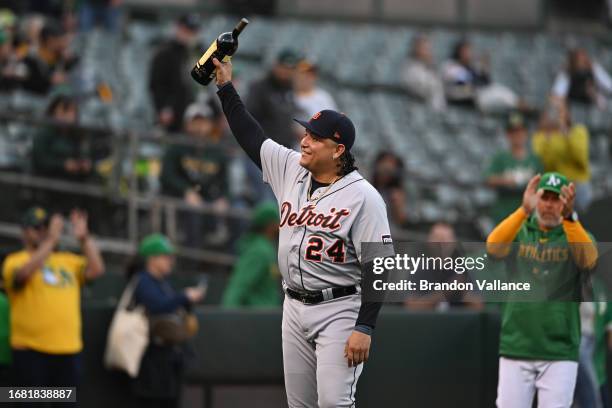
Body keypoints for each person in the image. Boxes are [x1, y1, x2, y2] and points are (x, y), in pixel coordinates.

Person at [211, 56, 395, 408]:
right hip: (293, 305)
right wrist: (225, 87)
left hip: (340, 307)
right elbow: (250, 134)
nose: (305, 141)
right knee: (300, 405)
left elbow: (380, 268)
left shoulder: (364, 197)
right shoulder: (291, 168)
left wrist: (365, 326)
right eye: (307, 133)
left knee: (333, 403)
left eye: (316, 138)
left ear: (339, 150)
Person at [486, 172, 598, 408]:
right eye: (544, 197)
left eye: (555, 199)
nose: (548, 204)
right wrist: (523, 211)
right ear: (536, 198)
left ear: (565, 202)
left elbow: (589, 261)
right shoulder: (520, 229)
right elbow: (493, 248)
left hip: (559, 349)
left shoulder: (577, 234)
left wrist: (569, 219)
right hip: (517, 343)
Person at [2, 206, 105, 395]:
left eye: (45, 228)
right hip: (30, 349)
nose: (42, 233)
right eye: (37, 228)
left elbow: (96, 269)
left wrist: (84, 238)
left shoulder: (67, 260)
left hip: (67, 349)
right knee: (29, 402)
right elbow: (23, 275)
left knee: (65, 402)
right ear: (25, 232)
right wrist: (50, 240)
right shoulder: (15, 260)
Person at [130, 233, 204, 408]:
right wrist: (184, 296)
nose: (170, 261)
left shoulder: (163, 282)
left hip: (169, 357)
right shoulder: (144, 280)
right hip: (152, 356)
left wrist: (187, 301)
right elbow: (157, 306)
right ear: (152, 259)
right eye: (166, 257)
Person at [160, 102, 230, 247]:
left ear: (210, 125)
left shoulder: (216, 151)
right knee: (193, 214)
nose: (199, 127)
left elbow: (225, 182)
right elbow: (166, 175)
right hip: (179, 197)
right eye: (195, 122)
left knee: (235, 212)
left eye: (203, 122)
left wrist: (223, 198)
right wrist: (186, 190)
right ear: (187, 124)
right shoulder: (177, 146)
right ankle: (192, 262)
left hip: (207, 197)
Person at [404, 222, 483, 311]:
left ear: (454, 243)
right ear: (429, 242)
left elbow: (478, 305)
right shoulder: (419, 269)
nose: (441, 244)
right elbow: (411, 306)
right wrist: (445, 291)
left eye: (446, 241)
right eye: (437, 239)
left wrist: (463, 291)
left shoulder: (464, 269)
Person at [532, 97, 592, 213]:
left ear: (567, 111)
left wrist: (565, 131)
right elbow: (545, 164)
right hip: (557, 187)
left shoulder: (578, 131)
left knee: (584, 223)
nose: (556, 114)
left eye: (560, 109)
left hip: (579, 185)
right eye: (553, 110)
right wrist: (548, 136)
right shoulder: (542, 136)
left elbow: (581, 160)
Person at [485, 112, 543, 223]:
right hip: (504, 212)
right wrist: (508, 180)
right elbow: (488, 179)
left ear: (526, 133)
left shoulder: (535, 159)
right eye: (513, 132)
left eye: (520, 131)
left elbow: (542, 185)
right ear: (508, 135)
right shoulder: (501, 157)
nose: (517, 135)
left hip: (527, 214)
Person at [222, 202, 281, 307]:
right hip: (258, 317)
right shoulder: (259, 250)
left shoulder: (266, 246)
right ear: (270, 225)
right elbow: (239, 285)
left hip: (269, 314)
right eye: (277, 221)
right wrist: (227, 318)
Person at [149, 14, 200, 132]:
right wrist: (162, 108)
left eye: (192, 31)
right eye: (186, 30)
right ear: (178, 28)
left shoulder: (194, 53)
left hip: (190, 113)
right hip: (171, 112)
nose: (188, 34)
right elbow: (157, 84)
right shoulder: (165, 53)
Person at [246, 48, 301, 149]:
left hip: (285, 147)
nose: (286, 72)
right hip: (262, 146)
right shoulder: (260, 87)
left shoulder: (289, 88)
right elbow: (249, 116)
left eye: (290, 69)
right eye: (284, 67)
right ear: (276, 65)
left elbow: (288, 116)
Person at [32, 94, 93, 181]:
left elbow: (83, 155)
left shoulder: (78, 135)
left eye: (73, 111)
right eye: (65, 111)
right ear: (53, 113)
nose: (70, 116)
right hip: (47, 180)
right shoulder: (44, 132)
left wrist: (84, 164)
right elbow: (40, 160)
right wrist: (63, 165)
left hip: (72, 181)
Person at [21, 20, 78, 94]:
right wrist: (49, 80)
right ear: (50, 41)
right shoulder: (31, 58)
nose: (64, 45)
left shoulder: (64, 57)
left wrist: (69, 62)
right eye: (60, 41)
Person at [400, 35, 446, 111]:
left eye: (428, 49)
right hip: (418, 109)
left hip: (436, 109)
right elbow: (423, 89)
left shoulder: (431, 67)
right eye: (424, 48)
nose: (428, 52)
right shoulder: (410, 67)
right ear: (416, 49)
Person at [371, 151, 408, 227]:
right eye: (385, 161)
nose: (387, 166)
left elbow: (401, 220)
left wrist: (397, 205)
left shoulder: (397, 192)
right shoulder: (366, 185)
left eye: (392, 163)